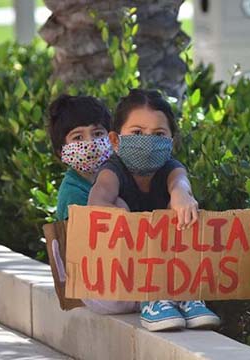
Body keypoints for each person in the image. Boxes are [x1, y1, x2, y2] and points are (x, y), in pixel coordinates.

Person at [88, 89, 221, 331]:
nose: (147, 142)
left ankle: (182, 294)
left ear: (171, 141)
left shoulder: (170, 168)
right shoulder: (112, 170)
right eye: (137, 133)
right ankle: (156, 297)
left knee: (181, 206)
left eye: (158, 134)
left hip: (166, 274)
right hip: (116, 285)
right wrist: (132, 229)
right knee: (117, 207)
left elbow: (179, 182)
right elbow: (98, 200)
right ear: (116, 140)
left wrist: (181, 195)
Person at [48, 94, 137, 315]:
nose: (89, 143)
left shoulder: (117, 175)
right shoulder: (73, 193)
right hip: (99, 284)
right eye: (78, 137)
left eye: (97, 134)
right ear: (62, 152)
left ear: (112, 138)